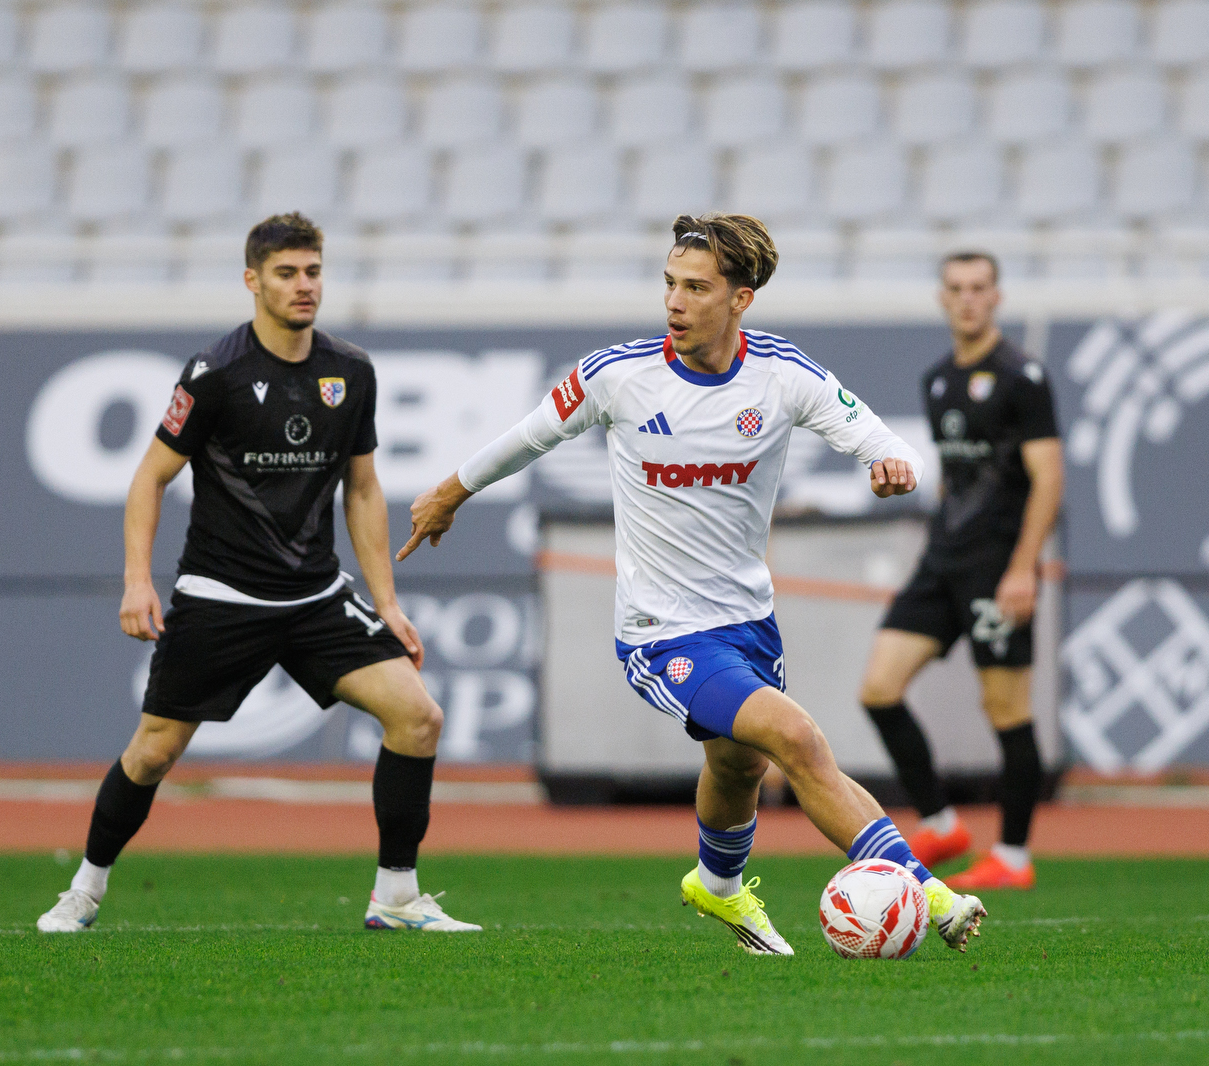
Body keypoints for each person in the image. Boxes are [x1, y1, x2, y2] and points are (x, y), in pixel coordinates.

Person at [401, 213, 987, 955]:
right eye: (671, 285)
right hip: (661, 630)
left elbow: (879, 438)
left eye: (697, 288)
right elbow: (530, 436)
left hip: (748, 621)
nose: (676, 302)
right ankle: (929, 894)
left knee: (736, 763)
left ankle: (717, 887)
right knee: (796, 737)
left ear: (740, 299)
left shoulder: (782, 376)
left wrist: (889, 464)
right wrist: (451, 491)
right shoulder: (620, 376)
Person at [37, 214, 478, 934]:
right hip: (221, 597)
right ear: (253, 281)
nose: (303, 286)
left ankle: (396, 896)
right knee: (153, 752)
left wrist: (387, 603)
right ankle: (82, 891)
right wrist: (137, 580)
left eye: (312, 272)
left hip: (315, 598)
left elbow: (362, 489)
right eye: (286, 273)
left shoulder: (351, 371)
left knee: (418, 716)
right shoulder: (216, 374)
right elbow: (149, 478)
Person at [855, 252, 1063, 891]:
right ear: (942, 299)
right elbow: (957, 478)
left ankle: (1015, 858)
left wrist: (1024, 568)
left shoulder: (1022, 376)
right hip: (942, 562)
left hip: (998, 567)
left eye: (979, 288)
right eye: (956, 289)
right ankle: (942, 824)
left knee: (1005, 707)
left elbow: (1048, 479)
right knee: (879, 688)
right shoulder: (938, 379)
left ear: (997, 297)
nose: (968, 299)